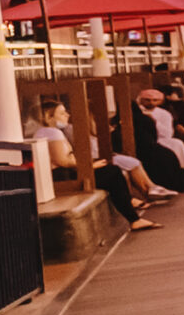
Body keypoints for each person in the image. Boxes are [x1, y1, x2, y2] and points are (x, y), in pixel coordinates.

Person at [29, 99, 158, 232]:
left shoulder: (47, 132)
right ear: (48, 116)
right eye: (62, 113)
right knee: (112, 173)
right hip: (63, 175)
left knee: (111, 172)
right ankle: (133, 216)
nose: (67, 115)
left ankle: (131, 208)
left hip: (63, 173)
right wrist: (90, 166)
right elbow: (63, 161)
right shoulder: (51, 132)